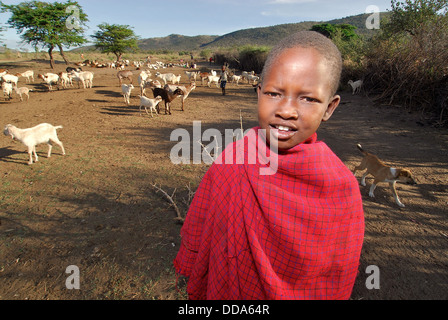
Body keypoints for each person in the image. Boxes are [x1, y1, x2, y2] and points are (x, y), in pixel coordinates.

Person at [173, 31, 365, 300]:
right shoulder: (235, 160)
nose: (286, 110)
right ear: (259, 93)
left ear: (330, 108)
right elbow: (202, 224)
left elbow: (339, 269)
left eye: (308, 98)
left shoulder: (341, 187)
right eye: (274, 93)